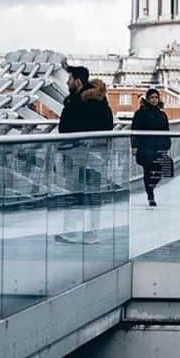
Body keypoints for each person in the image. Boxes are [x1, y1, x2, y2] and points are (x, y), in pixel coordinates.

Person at [55, 66, 115, 243]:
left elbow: (71, 127)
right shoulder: (84, 100)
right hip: (82, 153)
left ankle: (85, 232)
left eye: (70, 79)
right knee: (83, 192)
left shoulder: (88, 101)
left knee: (84, 192)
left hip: (86, 153)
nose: (67, 82)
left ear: (78, 81)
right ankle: (83, 231)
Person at [130, 88, 171, 207]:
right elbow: (135, 129)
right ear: (147, 99)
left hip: (159, 147)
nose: (154, 100)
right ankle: (150, 195)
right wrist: (134, 146)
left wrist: (167, 144)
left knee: (160, 171)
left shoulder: (162, 114)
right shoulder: (140, 113)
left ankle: (151, 188)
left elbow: (166, 130)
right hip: (145, 146)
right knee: (148, 170)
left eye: (156, 97)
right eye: (152, 97)